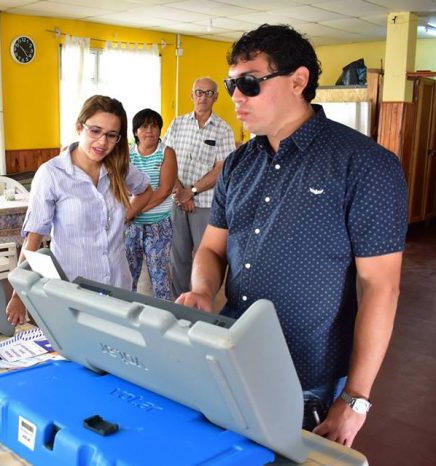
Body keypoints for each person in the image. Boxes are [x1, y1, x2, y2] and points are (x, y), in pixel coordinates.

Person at [176, 24, 407, 447]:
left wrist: (356, 400)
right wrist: (204, 291)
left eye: (249, 83)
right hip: (233, 352)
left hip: (307, 373)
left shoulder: (365, 165)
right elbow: (211, 248)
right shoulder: (237, 165)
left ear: (298, 81)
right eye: (232, 85)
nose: (236, 98)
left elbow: (381, 287)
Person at [5, 95, 152, 325]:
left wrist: (126, 215)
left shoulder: (119, 167)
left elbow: (145, 190)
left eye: (111, 135)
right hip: (72, 291)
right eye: (95, 131)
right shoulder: (52, 174)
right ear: (79, 127)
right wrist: (18, 293)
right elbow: (33, 240)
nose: (102, 142)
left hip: (118, 289)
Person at [163, 77, 236, 298]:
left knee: (206, 258)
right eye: (198, 92)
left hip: (204, 205)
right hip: (177, 201)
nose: (202, 97)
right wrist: (180, 192)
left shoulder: (223, 129)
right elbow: (166, 158)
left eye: (208, 93)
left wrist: (191, 191)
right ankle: (180, 306)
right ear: (191, 95)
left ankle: (201, 306)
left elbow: (222, 168)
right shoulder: (177, 123)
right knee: (178, 258)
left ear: (216, 97)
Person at [125, 109, 177, 300]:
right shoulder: (127, 155)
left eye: (154, 126)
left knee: (159, 277)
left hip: (158, 226)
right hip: (131, 227)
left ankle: (163, 321)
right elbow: (121, 189)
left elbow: (164, 190)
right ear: (136, 131)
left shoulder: (166, 153)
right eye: (144, 126)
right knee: (127, 275)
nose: (150, 131)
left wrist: (134, 210)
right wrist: (131, 214)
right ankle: (123, 315)